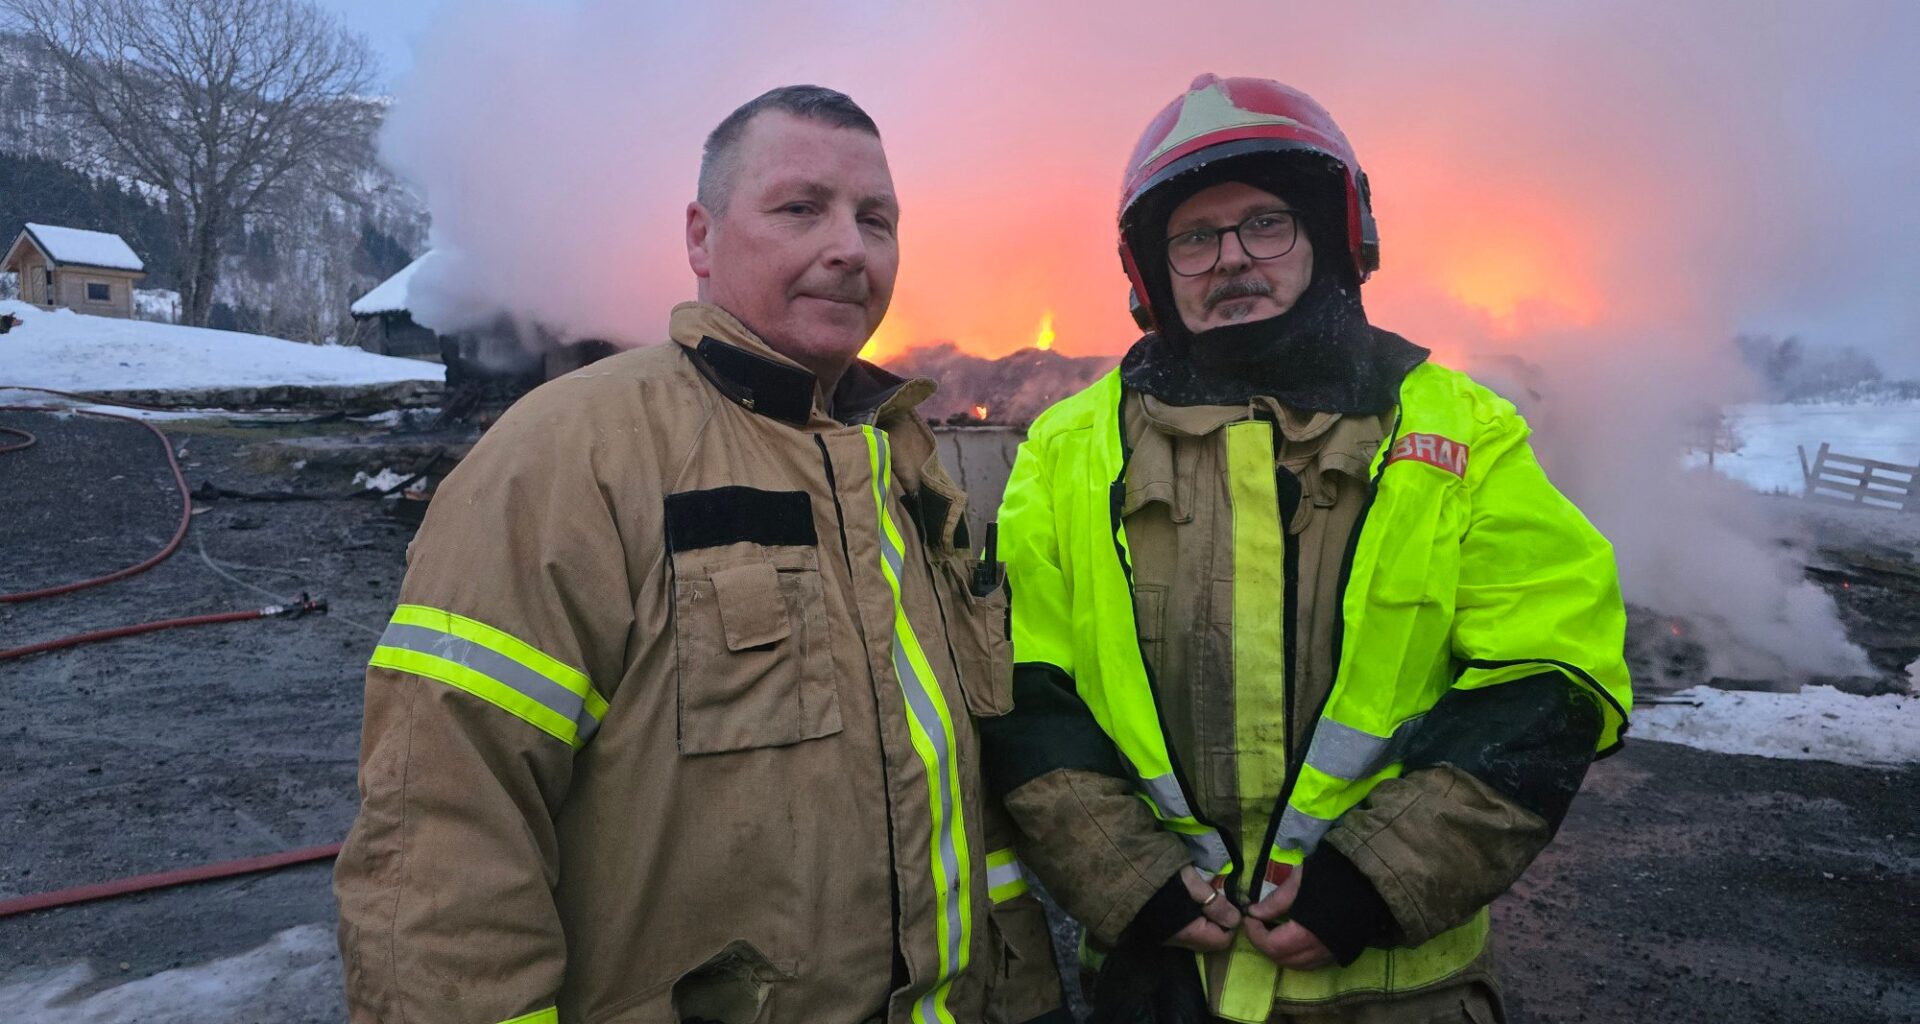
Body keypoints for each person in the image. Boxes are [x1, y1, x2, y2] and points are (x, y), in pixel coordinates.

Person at [335, 84, 1064, 1024]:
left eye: (875, 218)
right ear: (700, 237)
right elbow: (440, 839)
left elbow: (960, 793)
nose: (848, 245)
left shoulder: (902, 467)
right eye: (801, 208)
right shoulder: (570, 453)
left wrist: (1029, 995)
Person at [981, 74, 1632, 1023]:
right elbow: (1019, 685)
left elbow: (1552, 668)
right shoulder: (1068, 449)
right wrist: (1129, 878)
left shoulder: (1461, 431)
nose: (1230, 259)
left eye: (1266, 224)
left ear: (1332, 235)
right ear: (1152, 272)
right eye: (1194, 238)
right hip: (1161, 984)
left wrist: (1375, 881)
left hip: (1399, 995)